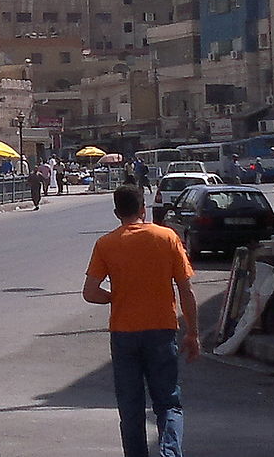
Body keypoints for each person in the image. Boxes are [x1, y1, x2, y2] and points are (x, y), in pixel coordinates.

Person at [83, 185, 199, 457]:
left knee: (130, 407)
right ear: (143, 209)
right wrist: (193, 333)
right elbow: (186, 289)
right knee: (168, 402)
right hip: (162, 329)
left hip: (124, 333)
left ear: (116, 213)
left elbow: (90, 292)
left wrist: (116, 297)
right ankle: (170, 453)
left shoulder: (106, 243)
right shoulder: (166, 237)